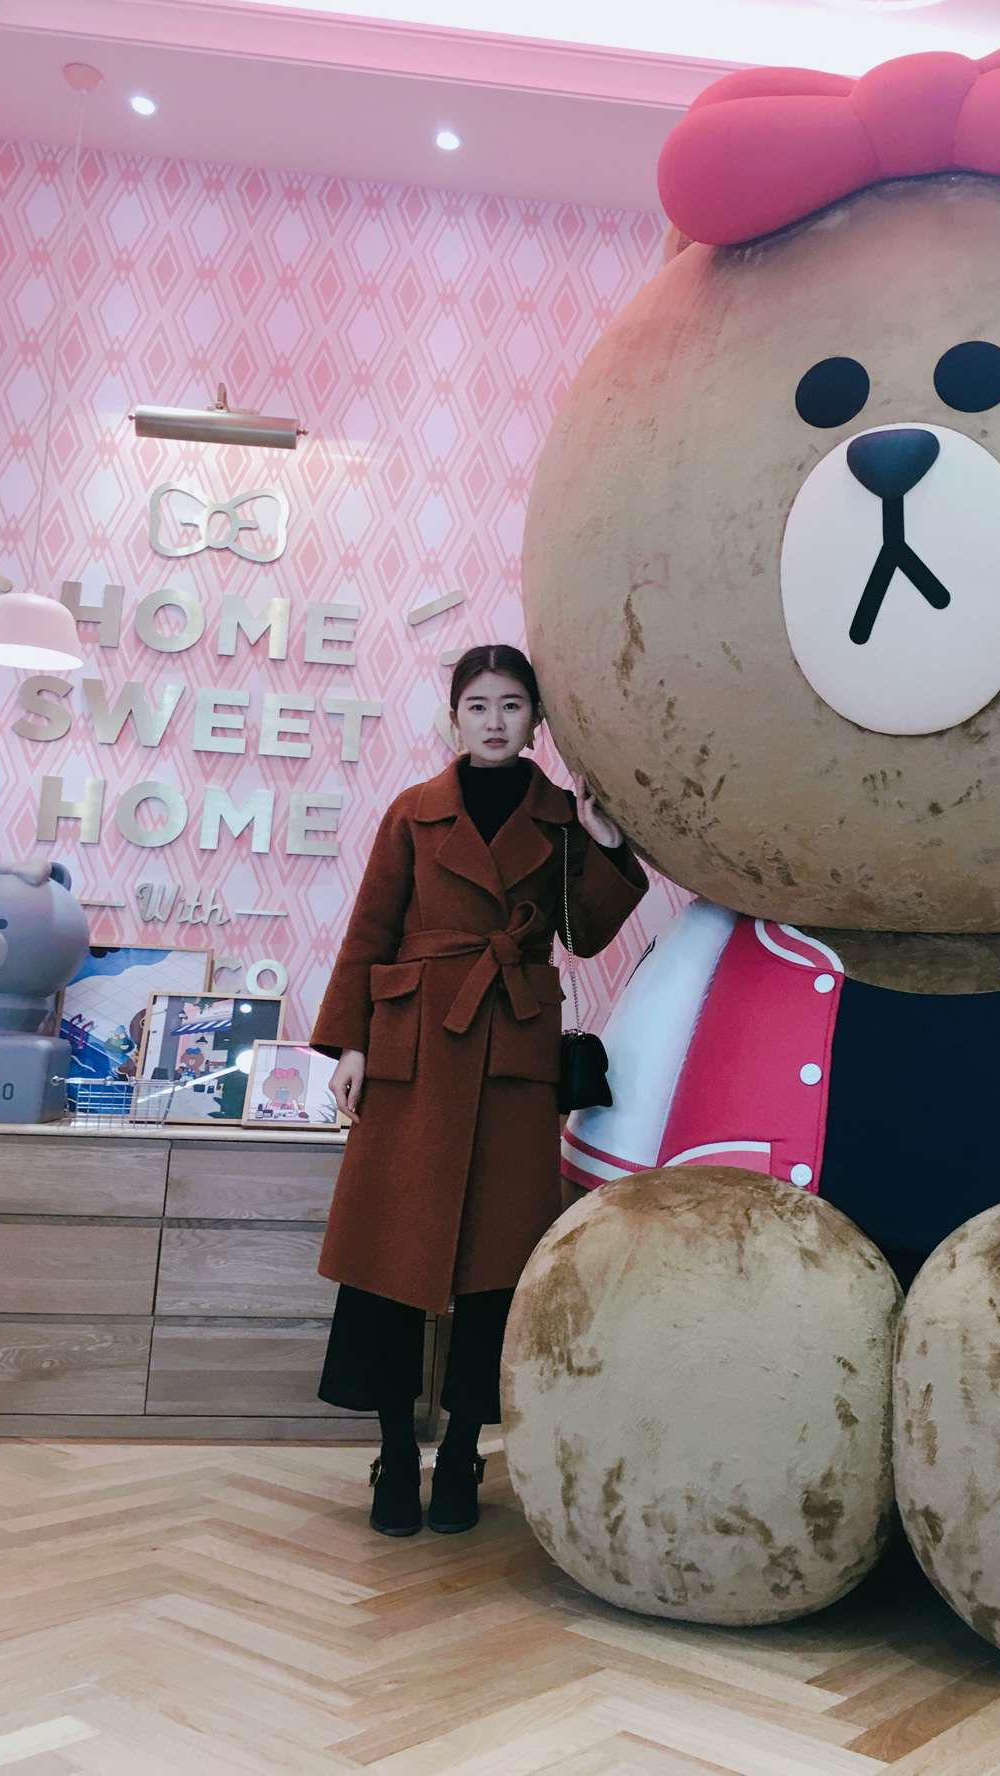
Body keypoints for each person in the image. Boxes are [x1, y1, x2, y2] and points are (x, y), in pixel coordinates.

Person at [310, 645, 647, 1538]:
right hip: (415, 1048)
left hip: (511, 1051)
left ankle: (461, 1452)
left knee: (498, 1263)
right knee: (388, 1255)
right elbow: (370, 930)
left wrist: (604, 843)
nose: (494, 721)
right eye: (477, 705)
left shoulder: (562, 818)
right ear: (453, 717)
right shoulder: (412, 811)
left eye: (511, 705)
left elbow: (586, 936)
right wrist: (349, 1043)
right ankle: (394, 1453)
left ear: (536, 720)